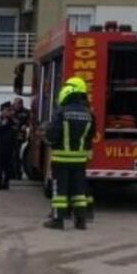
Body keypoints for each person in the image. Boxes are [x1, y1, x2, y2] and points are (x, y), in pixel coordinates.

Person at [44, 77, 96, 230]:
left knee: (59, 191)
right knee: (79, 191)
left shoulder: (61, 112)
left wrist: (46, 135)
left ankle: (57, 220)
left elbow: (53, 135)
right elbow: (90, 136)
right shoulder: (88, 113)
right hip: (79, 160)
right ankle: (80, 221)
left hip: (61, 158)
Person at [0, 103, 15, 190]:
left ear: (8, 112)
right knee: (2, 165)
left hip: (5, 146)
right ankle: (3, 182)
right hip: (2, 144)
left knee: (0, 164)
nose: (2, 112)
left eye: (4, 111)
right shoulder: (4, 119)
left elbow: (1, 128)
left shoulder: (8, 120)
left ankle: (1, 183)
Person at [10, 97, 30, 180]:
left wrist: (26, 125)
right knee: (11, 156)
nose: (15, 105)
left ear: (21, 104)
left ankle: (18, 174)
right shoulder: (12, 112)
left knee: (17, 156)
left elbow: (30, 122)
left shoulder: (26, 112)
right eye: (14, 103)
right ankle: (12, 174)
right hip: (12, 136)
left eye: (17, 104)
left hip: (20, 137)